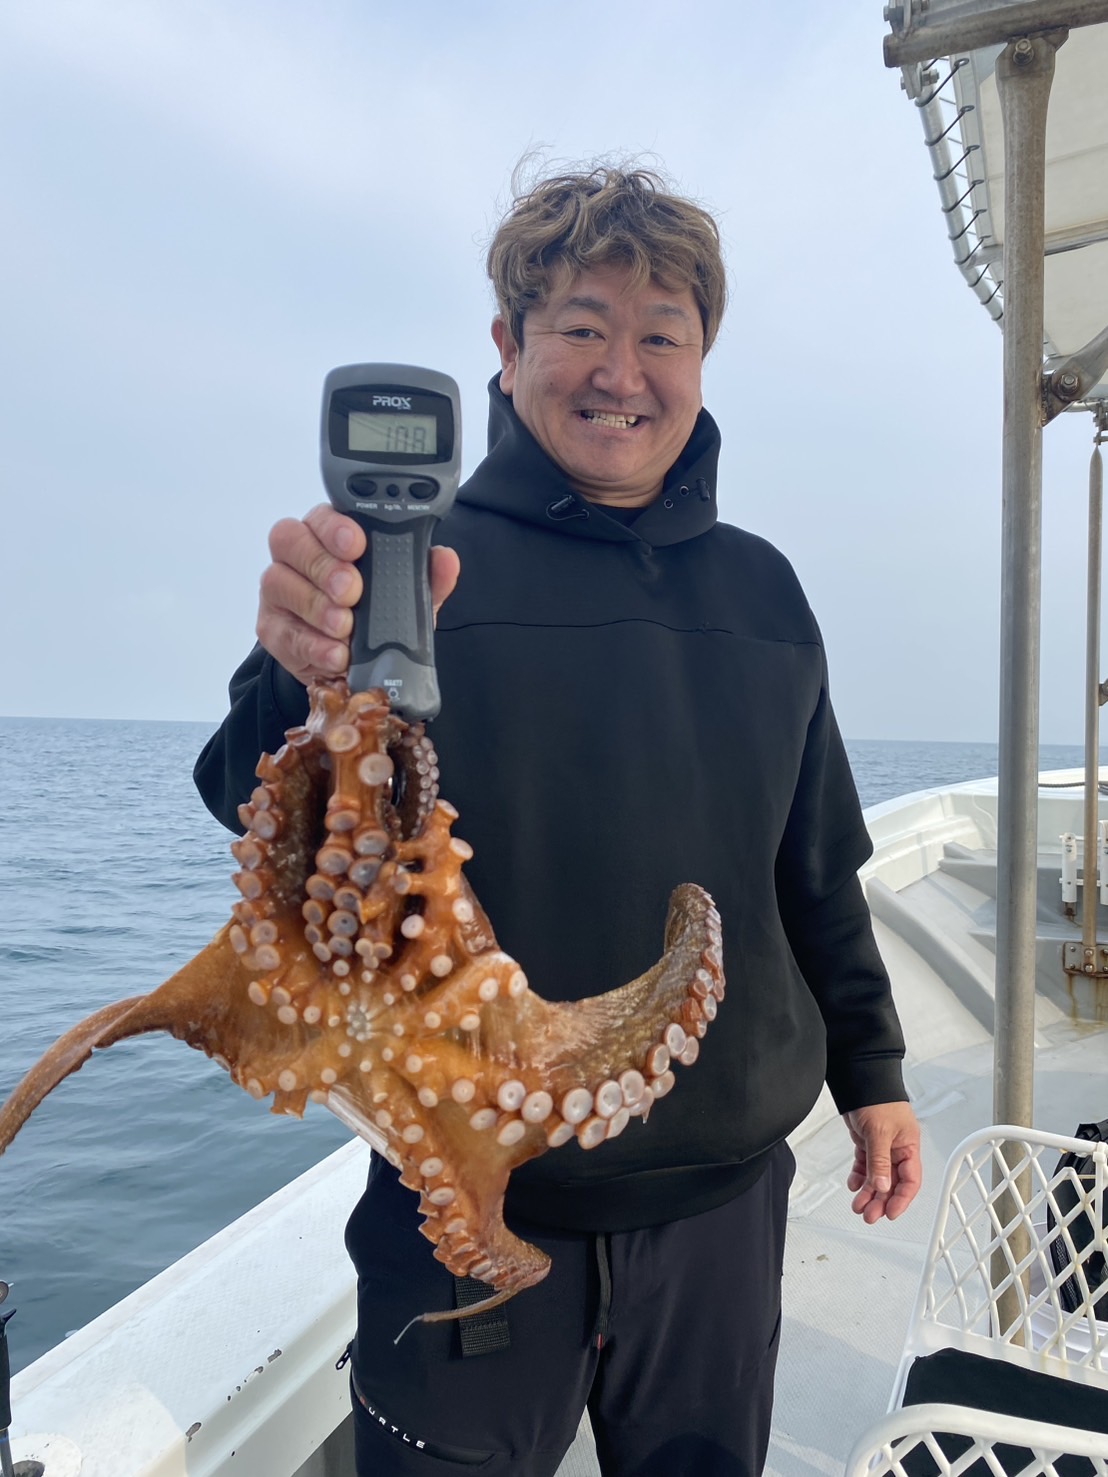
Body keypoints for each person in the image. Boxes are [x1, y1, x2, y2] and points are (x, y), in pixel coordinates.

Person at [194, 164, 921, 1477]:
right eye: (582, 325)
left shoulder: (765, 592)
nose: (620, 372)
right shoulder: (409, 564)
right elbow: (248, 806)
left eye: (662, 335)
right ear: (508, 344)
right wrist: (302, 676)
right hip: (459, 1198)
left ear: (704, 356)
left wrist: (872, 1074)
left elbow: (815, 868)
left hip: (719, 1208)